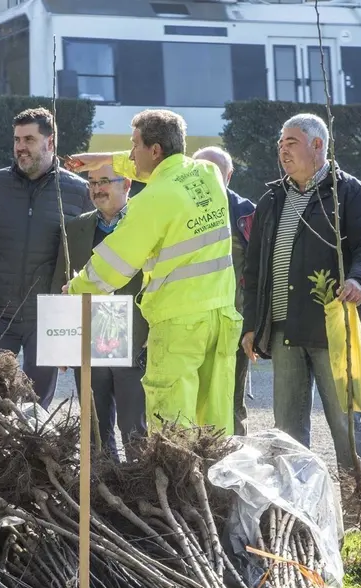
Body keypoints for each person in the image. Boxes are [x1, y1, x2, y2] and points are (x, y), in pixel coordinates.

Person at [64, 110, 240, 436]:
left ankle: (179, 487)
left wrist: (75, 289)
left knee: (173, 423)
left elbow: (112, 267)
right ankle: (216, 482)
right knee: (214, 423)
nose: (131, 153)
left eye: (134, 145)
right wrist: (104, 160)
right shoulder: (208, 173)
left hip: (179, 325)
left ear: (155, 150)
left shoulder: (151, 202)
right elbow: (157, 169)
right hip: (221, 316)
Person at [240, 113, 361, 482]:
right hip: (282, 331)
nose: (282, 151)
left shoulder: (348, 192)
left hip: (331, 329)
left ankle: (359, 509)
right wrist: (251, 326)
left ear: (318, 145)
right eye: (280, 144)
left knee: (345, 425)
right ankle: (297, 511)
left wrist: (360, 280)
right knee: (287, 433)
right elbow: (255, 269)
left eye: (290, 143)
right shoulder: (273, 198)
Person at [0, 108, 92, 408]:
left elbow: (86, 262)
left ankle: (31, 455)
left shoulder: (77, 191)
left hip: (47, 316)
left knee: (36, 406)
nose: (20, 146)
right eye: (17, 139)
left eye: (29, 139)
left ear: (50, 143)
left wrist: (71, 326)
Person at [52, 165, 147, 459]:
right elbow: (62, 283)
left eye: (105, 181)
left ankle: (139, 489)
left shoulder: (147, 224)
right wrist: (62, 345)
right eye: (91, 183)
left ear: (127, 185)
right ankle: (101, 488)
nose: (96, 189)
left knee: (135, 428)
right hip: (90, 341)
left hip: (135, 339)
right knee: (95, 427)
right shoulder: (75, 228)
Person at [192, 146, 256, 436]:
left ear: (228, 176)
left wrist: (254, 326)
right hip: (185, 323)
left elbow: (258, 273)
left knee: (230, 403)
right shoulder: (175, 206)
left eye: (213, 172)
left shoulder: (247, 214)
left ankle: (232, 472)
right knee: (186, 402)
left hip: (233, 326)